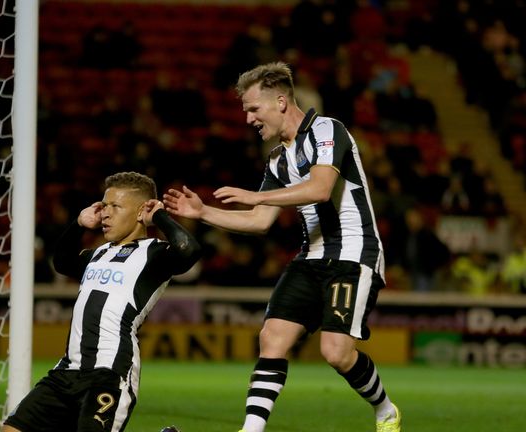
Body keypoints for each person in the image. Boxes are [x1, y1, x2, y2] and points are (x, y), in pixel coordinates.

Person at [163, 62, 401, 432]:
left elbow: (320, 188)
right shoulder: (277, 159)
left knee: (336, 354)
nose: (248, 119)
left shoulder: (326, 130)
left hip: (353, 256)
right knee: (272, 337)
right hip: (311, 257)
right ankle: (252, 430)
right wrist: (202, 211)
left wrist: (256, 197)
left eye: (253, 109)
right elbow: (259, 222)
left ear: (280, 101)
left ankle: (385, 408)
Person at [2, 172, 201, 432]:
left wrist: (160, 216)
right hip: (67, 370)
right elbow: (62, 263)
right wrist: (78, 224)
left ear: (142, 211)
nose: (105, 213)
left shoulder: (155, 255)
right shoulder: (97, 254)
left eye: (115, 207)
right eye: (104, 205)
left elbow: (189, 249)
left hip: (109, 372)